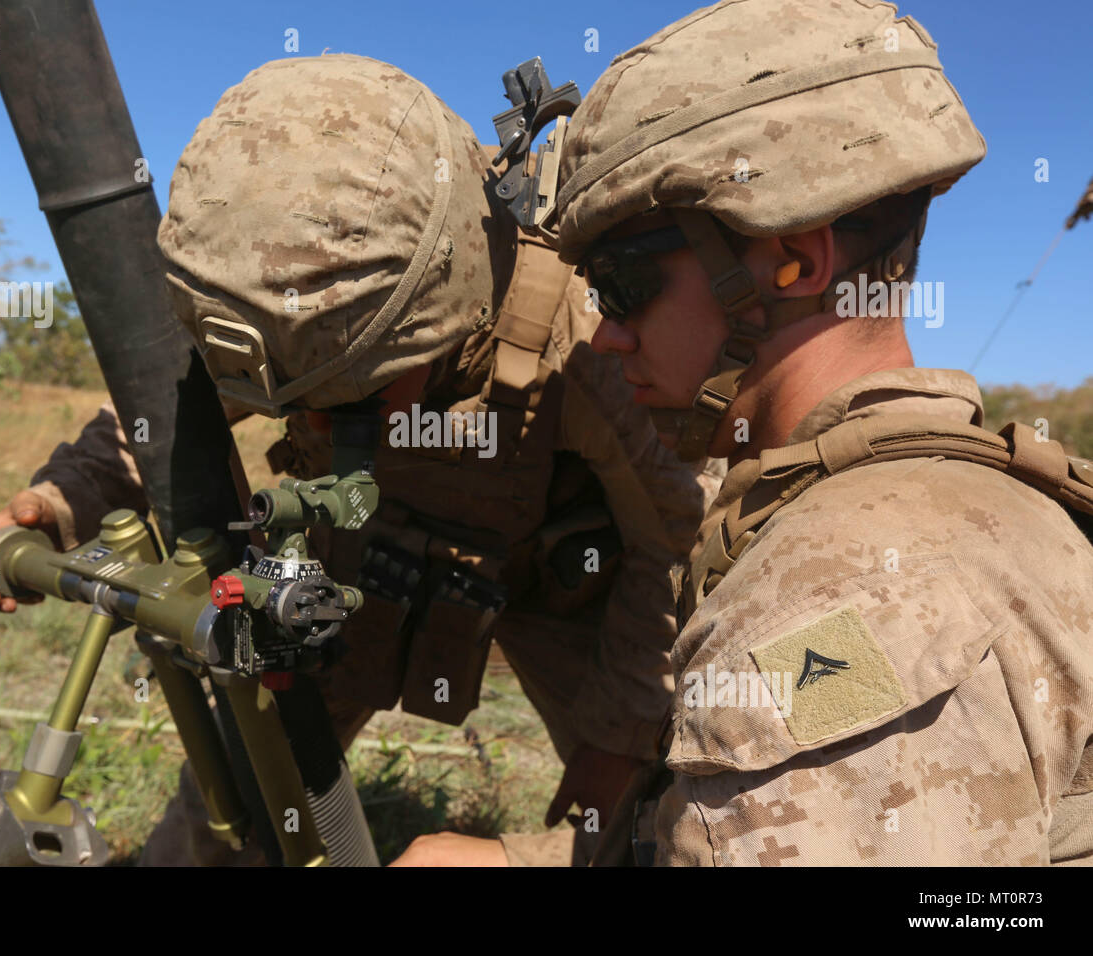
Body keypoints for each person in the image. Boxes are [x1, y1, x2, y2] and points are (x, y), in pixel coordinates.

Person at [0, 54, 723, 865]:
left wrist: (617, 741)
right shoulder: (290, 302)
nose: (313, 419)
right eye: (289, 393)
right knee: (247, 793)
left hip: (552, 592)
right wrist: (58, 498)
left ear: (453, 302)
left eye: (356, 394)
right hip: (352, 567)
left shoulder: (576, 339)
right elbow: (168, 405)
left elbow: (668, 538)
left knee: (654, 809)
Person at [395, 0, 1093, 866]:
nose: (606, 334)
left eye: (620, 284)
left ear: (792, 259)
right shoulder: (942, 501)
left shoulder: (836, 597)